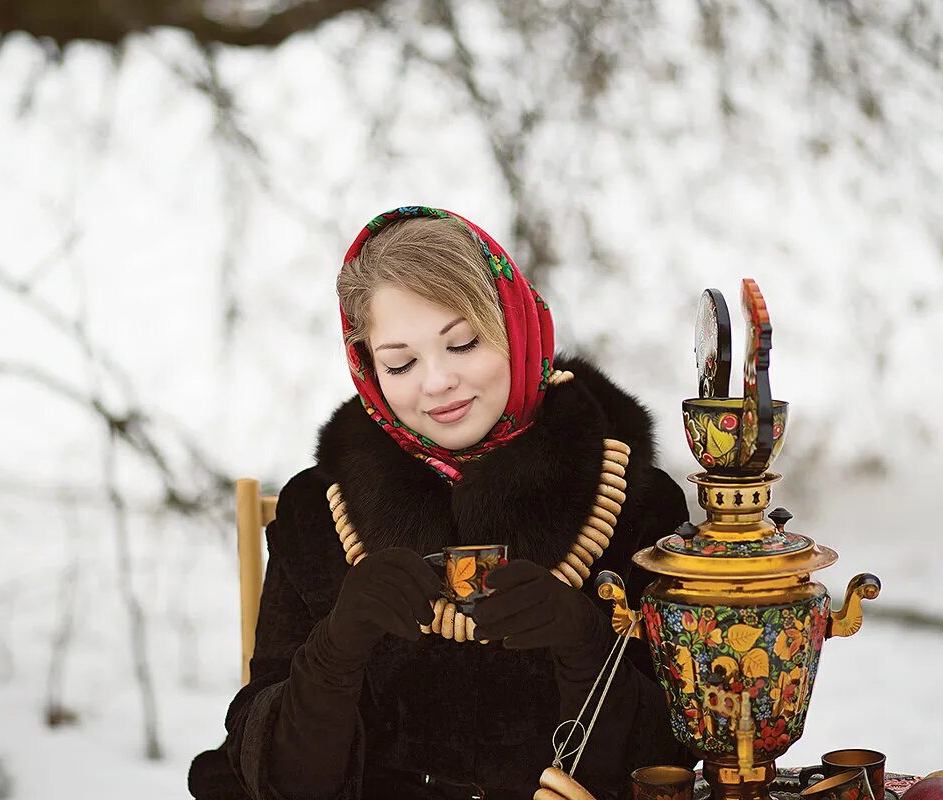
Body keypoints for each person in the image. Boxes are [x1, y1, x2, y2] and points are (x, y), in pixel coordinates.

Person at [188, 206, 695, 800]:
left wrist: (582, 639)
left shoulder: (633, 502)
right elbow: (275, 779)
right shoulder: (317, 512)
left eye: (462, 343)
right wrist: (336, 646)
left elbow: (672, 760)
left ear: (515, 325)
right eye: (400, 362)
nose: (435, 383)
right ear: (369, 369)